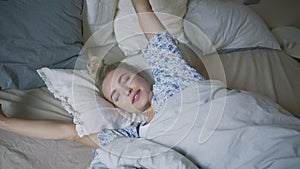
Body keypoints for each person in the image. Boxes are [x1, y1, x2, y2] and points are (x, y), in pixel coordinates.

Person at [1, 0, 300, 168]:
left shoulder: (174, 77)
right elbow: (68, 133)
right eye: (116, 96)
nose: (126, 90)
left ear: (143, 75)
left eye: (125, 79)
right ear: (116, 107)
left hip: (270, 138)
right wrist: (6, 123)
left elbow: (146, 18)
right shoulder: (133, 134)